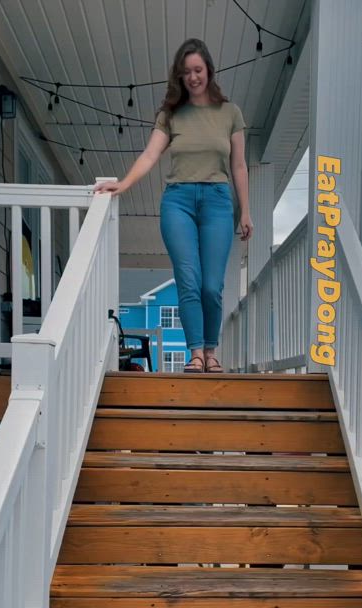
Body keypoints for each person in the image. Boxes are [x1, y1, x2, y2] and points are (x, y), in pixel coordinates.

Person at [95, 37, 253, 373]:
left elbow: (239, 165)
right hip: (178, 201)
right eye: (186, 73)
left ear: (208, 69)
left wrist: (247, 211)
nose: (193, 77)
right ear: (179, 77)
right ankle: (196, 353)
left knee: (212, 285)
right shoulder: (171, 114)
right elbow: (151, 154)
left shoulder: (230, 113)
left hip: (217, 201)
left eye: (198, 70)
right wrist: (123, 184)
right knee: (188, 280)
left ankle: (212, 351)